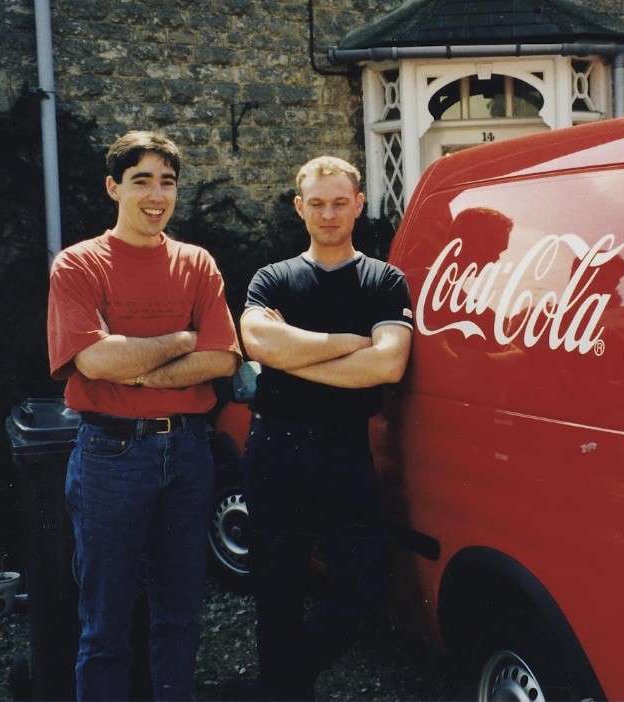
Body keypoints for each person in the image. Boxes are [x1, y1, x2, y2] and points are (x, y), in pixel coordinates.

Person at [47, 131, 242, 701]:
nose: (156, 195)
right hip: (111, 455)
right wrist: (181, 338)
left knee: (179, 615)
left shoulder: (196, 263)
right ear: (114, 187)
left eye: (167, 182)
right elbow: (93, 357)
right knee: (104, 625)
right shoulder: (80, 264)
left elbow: (221, 358)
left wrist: (133, 366)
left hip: (187, 451)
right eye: (141, 181)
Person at [238, 156, 413, 700]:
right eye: (317, 203)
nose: (329, 213)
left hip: (345, 454)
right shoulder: (273, 278)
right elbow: (258, 343)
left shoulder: (384, 281)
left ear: (360, 204)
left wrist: (295, 355)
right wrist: (349, 343)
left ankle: (276, 686)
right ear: (300, 208)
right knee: (279, 592)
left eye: (340, 202)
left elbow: (386, 366)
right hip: (276, 450)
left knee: (364, 592)